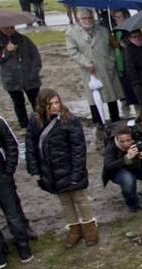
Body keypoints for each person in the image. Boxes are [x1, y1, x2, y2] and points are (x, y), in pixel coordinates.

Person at [25, 89, 98, 247]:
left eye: (57, 102)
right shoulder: (35, 120)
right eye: (50, 104)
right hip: (50, 171)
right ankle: (74, 230)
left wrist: (77, 172)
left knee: (80, 199)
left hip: (70, 167)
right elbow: (30, 147)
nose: (55, 106)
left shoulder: (70, 120)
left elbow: (79, 149)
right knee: (65, 201)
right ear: (42, 105)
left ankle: (90, 228)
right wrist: (35, 171)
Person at [0, 102, 32, 268]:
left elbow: (11, 144)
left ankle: (23, 245)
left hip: (0, 177)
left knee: (12, 214)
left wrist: (8, 171)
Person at [65, 8, 123, 125]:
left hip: (105, 66)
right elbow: (73, 52)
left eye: (90, 18)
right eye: (84, 18)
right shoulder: (71, 33)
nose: (87, 20)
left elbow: (111, 46)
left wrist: (111, 60)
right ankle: (98, 121)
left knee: (111, 93)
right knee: (94, 95)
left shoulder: (102, 30)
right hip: (89, 69)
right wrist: (86, 63)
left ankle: (115, 117)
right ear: (78, 19)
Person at [0, 24, 42, 128]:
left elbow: (35, 55)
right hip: (11, 79)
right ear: (1, 28)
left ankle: (41, 122)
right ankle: (24, 125)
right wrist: (6, 51)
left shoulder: (23, 39)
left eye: (12, 27)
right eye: (7, 28)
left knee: (36, 103)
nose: (10, 30)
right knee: (18, 104)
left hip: (30, 78)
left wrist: (34, 72)